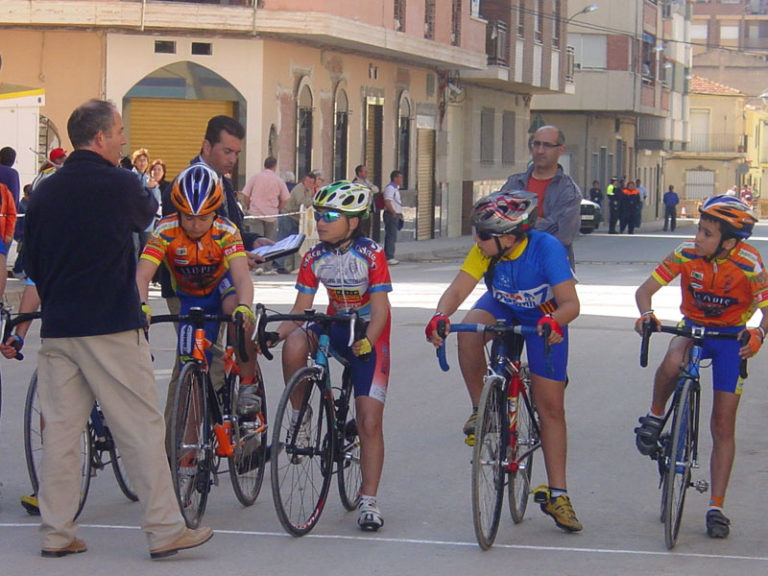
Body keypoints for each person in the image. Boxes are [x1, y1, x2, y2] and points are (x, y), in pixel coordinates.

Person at [23, 98, 213, 559]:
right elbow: (148, 214)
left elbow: (33, 263)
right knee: (141, 426)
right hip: (109, 321)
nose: (125, 139)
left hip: (60, 326)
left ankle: (57, 532)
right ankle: (166, 528)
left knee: (63, 435)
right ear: (101, 137)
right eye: (120, 131)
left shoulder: (45, 190)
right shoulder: (121, 183)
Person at [425, 190, 582, 533]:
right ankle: (483, 409)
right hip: (503, 305)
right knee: (467, 331)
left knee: (551, 409)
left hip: (545, 319)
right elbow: (458, 289)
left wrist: (555, 322)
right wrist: (440, 315)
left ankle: (559, 494)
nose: (476, 240)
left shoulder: (546, 249)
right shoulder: (487, 250)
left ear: (509, 237)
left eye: (482, 235)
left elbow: (571, 303)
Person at [633, 195, 768, 540]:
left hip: (729, 338)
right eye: (699, 230)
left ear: (729, 242)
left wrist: (759, 334)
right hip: (693, 326)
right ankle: (655, 415)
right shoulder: (685, 253)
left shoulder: (750, 263)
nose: (698, 239)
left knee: (723, 424)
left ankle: (716, 506)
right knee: (673, 360)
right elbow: (645, 290)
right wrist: (646, 314)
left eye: (707, 234)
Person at [268, 180, 392, 532]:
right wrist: (272, 335)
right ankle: (300, 415)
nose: (321, 221)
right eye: (319, 213)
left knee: (369, 421)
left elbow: (382, 309)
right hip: (334, 324)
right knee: (295, 342)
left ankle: (368, 500)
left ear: (353, 222)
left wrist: (368, 339)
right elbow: (301, 309)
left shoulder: (371, 253)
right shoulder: (313, 256)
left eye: (331, 215)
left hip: (369, 330)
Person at [136, 164, 260, 416]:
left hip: (220, 288)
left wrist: (245, 306)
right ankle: (188, 451)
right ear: (178, 212)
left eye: (203, 218)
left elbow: (241, 277)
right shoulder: (165, 230)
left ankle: (248, 384)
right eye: (188, 217)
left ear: (215, 212)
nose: (194, 225)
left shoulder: (226, 230)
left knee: (237, 312)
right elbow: (143, 274)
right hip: (188, 298)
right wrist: (142, 305)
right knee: (188, 372)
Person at [501, 125, 581, 268]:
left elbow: (563, 236)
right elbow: (496, 221)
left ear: (561, 149)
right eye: (536, 144)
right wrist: (542, 223)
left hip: (550, 271)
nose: (539, 150)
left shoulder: (569, 191)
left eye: (547, 145)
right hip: (511, 268)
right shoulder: (514, 183)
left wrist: (518, 224)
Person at [241, 156, 290, 272]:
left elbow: (246, 194)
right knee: (269, 241)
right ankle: (267, 266)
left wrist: (248, 205)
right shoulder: (278, 180)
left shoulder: (255, 177)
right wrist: (278, 208)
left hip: (255, 213)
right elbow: (286, 198)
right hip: (271, 215)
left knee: (256, 240)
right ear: (275, 166)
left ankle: (257, 265)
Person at [275, 171, 315, 273]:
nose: (310, 184)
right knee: (284, 240)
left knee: (294, 243)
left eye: (312, 182)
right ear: (304, 181)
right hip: (288, 216)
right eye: (308, 182)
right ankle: (279, 264)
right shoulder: (299, 189)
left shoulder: (309, 190)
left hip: (297, 219)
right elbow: (302, 202)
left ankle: (291, 266)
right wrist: (314, 202)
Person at [382, 170, 404, 265]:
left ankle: (389, 255)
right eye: (400, 177)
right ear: (395, 178)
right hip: (391, 214)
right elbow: (387, 201)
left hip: (396, 214)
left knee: (393, 236)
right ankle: (388, 256)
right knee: (391, 235)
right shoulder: (390, 188)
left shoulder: (396, 189)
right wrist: (393, 212)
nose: (401, 180)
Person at [352, 164, 379, 238]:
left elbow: (376, 189)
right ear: (359, 173)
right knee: (361, 230)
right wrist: (369, 188)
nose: (367, 173)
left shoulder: (366, 181)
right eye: (365, 172)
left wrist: (370, 188)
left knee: (367, 230)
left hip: (368, 209)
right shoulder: (356, 183)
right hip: (360, 210)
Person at [12, 184, 31, 278]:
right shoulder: (22, 205)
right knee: (22, 252)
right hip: (22, 233)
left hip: (25, 233)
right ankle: (18, 269)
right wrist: (18, 234)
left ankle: (20, 269)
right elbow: (18, 221)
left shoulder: (26, 204)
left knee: (24, 252)